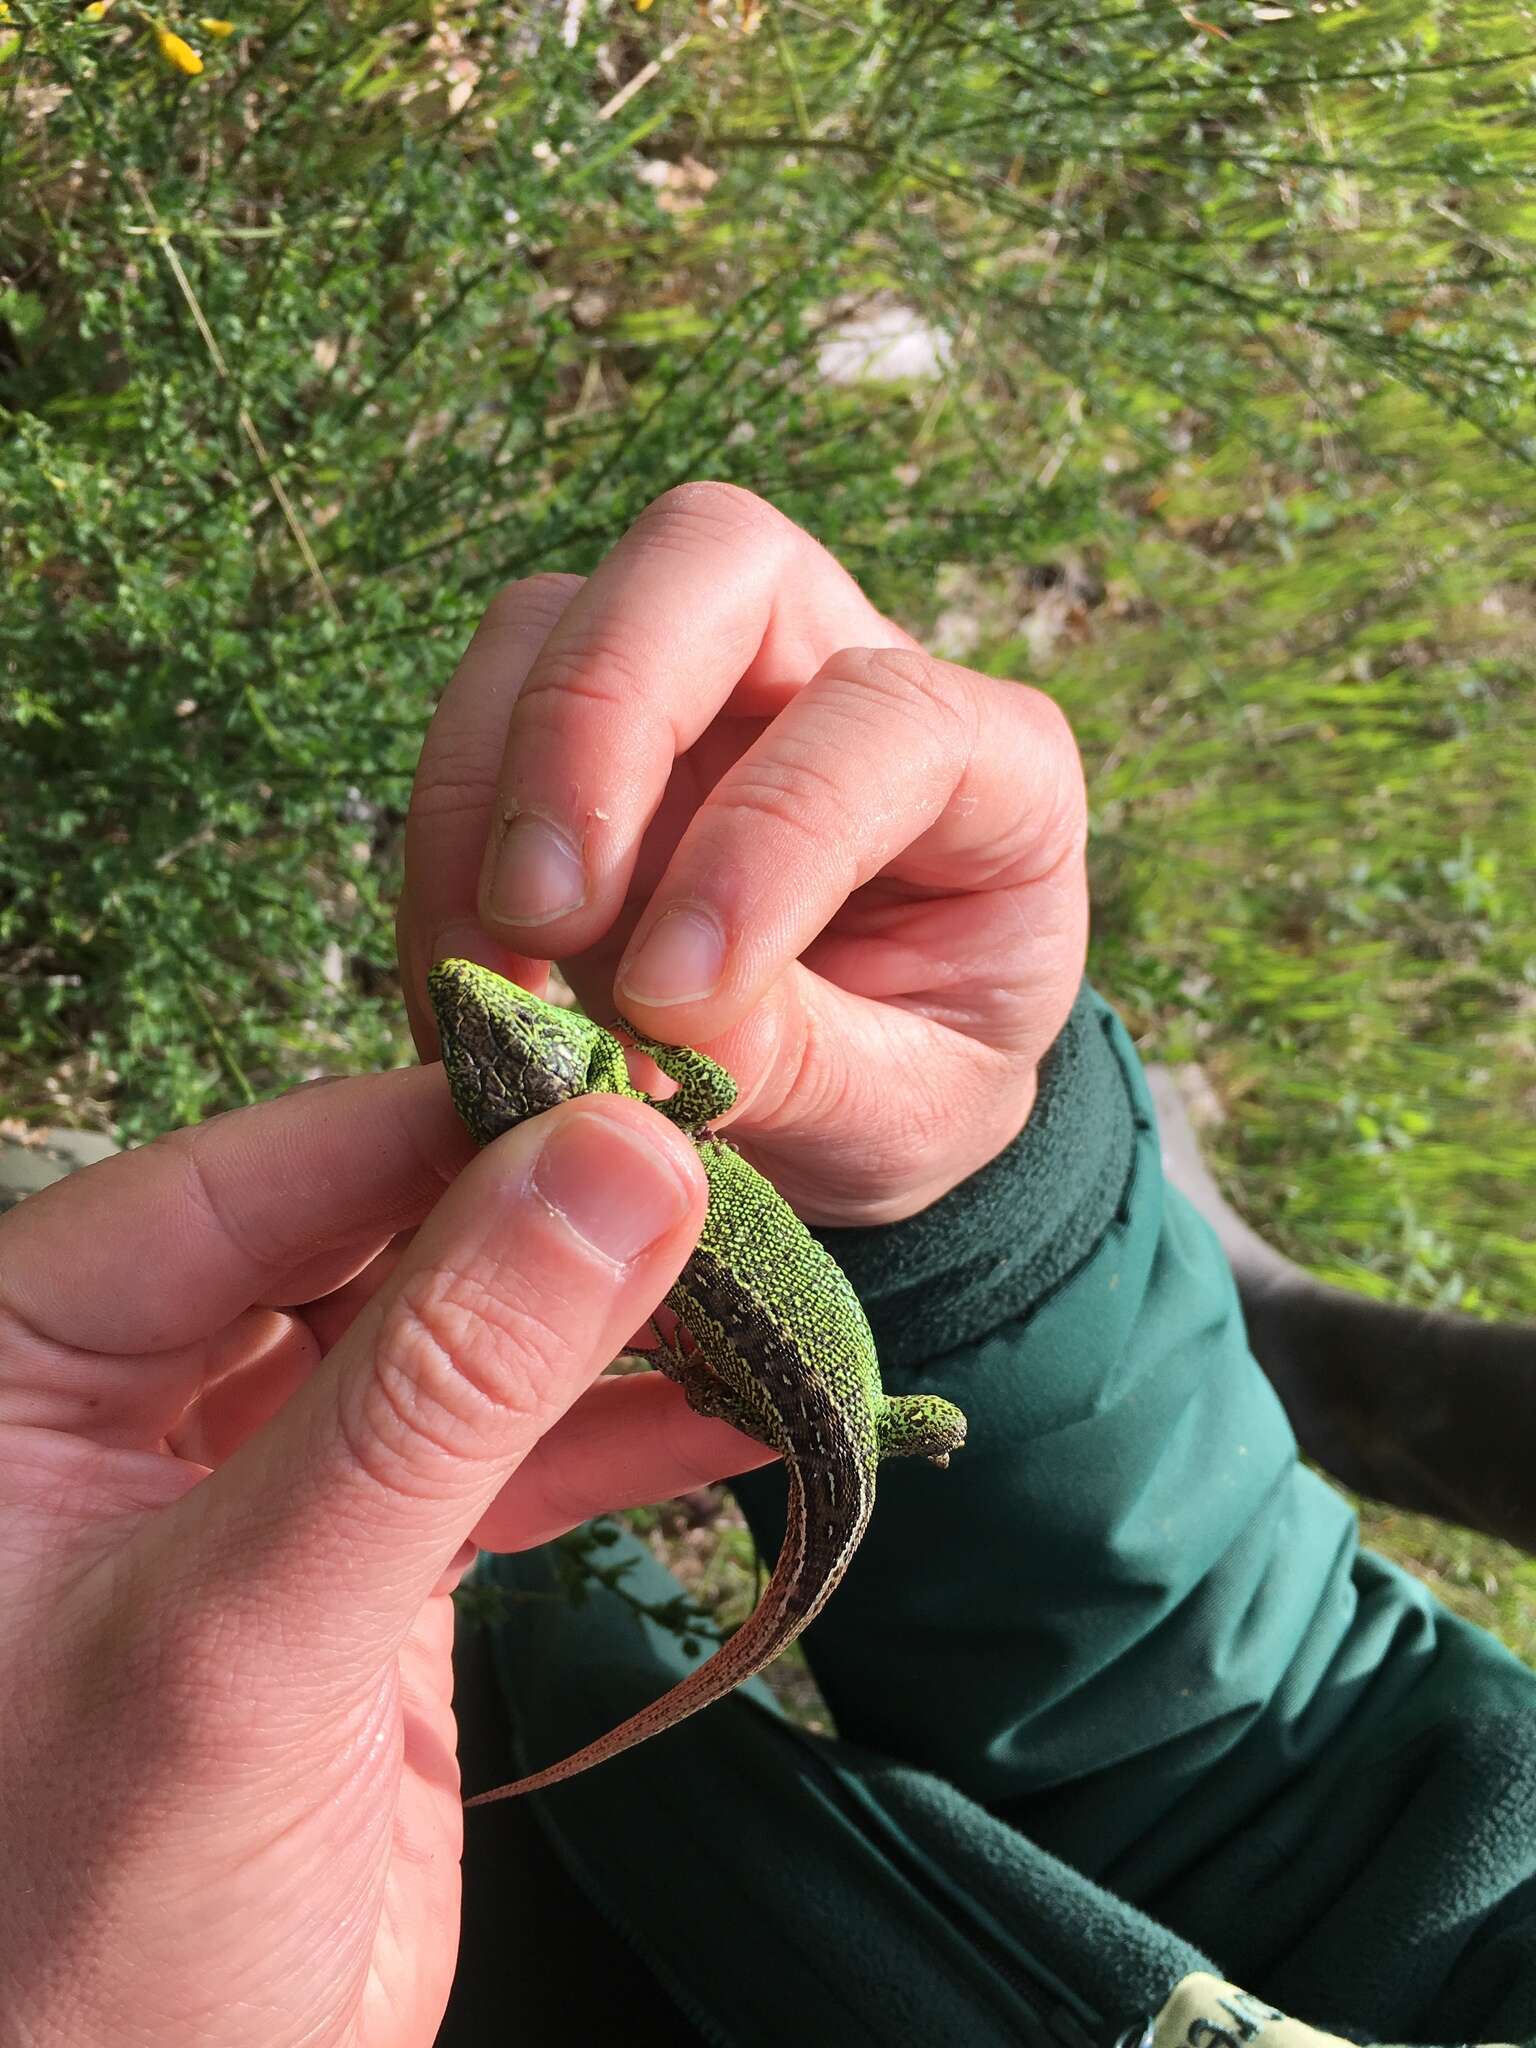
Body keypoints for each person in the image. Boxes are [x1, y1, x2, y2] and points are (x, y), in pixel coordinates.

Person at [0, 485, 1530, 2048]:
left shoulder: (636, 1142)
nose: (482, 1009)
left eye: (505, 1039)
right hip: (823, 1482)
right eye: (506, 1039)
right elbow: (1283, 1772)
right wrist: (977, 1215)